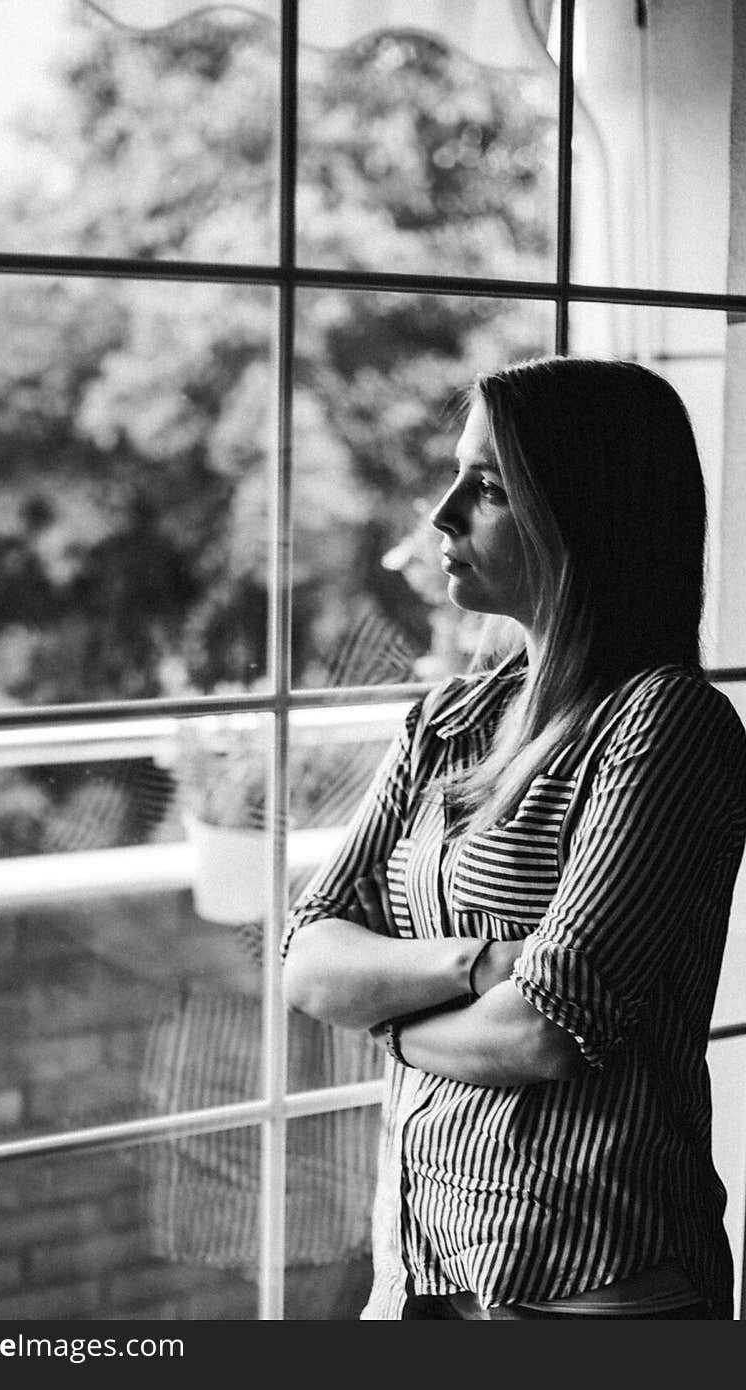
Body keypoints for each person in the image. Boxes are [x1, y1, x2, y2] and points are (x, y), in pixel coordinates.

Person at [281, 355, 746, 1320]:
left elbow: (544, 1031)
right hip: (423, 1262)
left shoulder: (665, 724)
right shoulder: (445, 721)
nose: (443, 514)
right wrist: (485, 963)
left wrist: (391, 1020)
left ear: (587, 514)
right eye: (456, 475)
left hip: (598, 1282)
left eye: (488, 487)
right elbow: (309, 959)